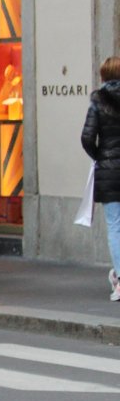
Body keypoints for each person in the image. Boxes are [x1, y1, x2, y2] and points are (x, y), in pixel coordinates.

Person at [80, 55, 120, 301]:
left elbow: (86, 137)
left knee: (115, 225)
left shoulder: (98, 101)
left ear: (103, 76)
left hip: (108, 170)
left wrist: (100, 156)